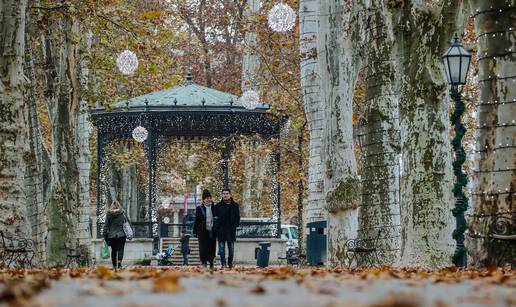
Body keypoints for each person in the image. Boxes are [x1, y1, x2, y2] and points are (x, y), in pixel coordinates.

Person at [214, 188, 240, 268]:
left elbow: (237, 217)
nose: (225, 195)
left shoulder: (235, 205)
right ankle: (223, 264)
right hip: (221, 230)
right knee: (221, 250)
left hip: (231, 230)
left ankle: (230, 263)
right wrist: (217, 227)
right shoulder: (217, 206)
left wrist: (235, 225)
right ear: (222, 195)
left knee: (231, 250)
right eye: (224, 194)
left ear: (230, 195)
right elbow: (215, 218)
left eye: (227, 193)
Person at [193, 189, 217, 269]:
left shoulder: (214, 207)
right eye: (206, 198)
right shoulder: (199, 208)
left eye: (210, 198)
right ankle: (203, 262)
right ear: (203, 200)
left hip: (212, 231)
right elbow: (196, 220)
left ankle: (211, 262)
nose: (208, 199)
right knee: (203, 247)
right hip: (202, 231)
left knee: (212, 247)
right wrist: (195, 231)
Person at [103, 201, 127, 269]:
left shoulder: (109, 215)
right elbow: (126, 223)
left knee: (113, 250)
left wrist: (104, 234)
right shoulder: (122, 214)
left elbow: (106, 226)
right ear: (119, 206)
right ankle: (119, 262)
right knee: (121, 249)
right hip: (121, 235)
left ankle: (114, 265)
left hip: (112, 236)